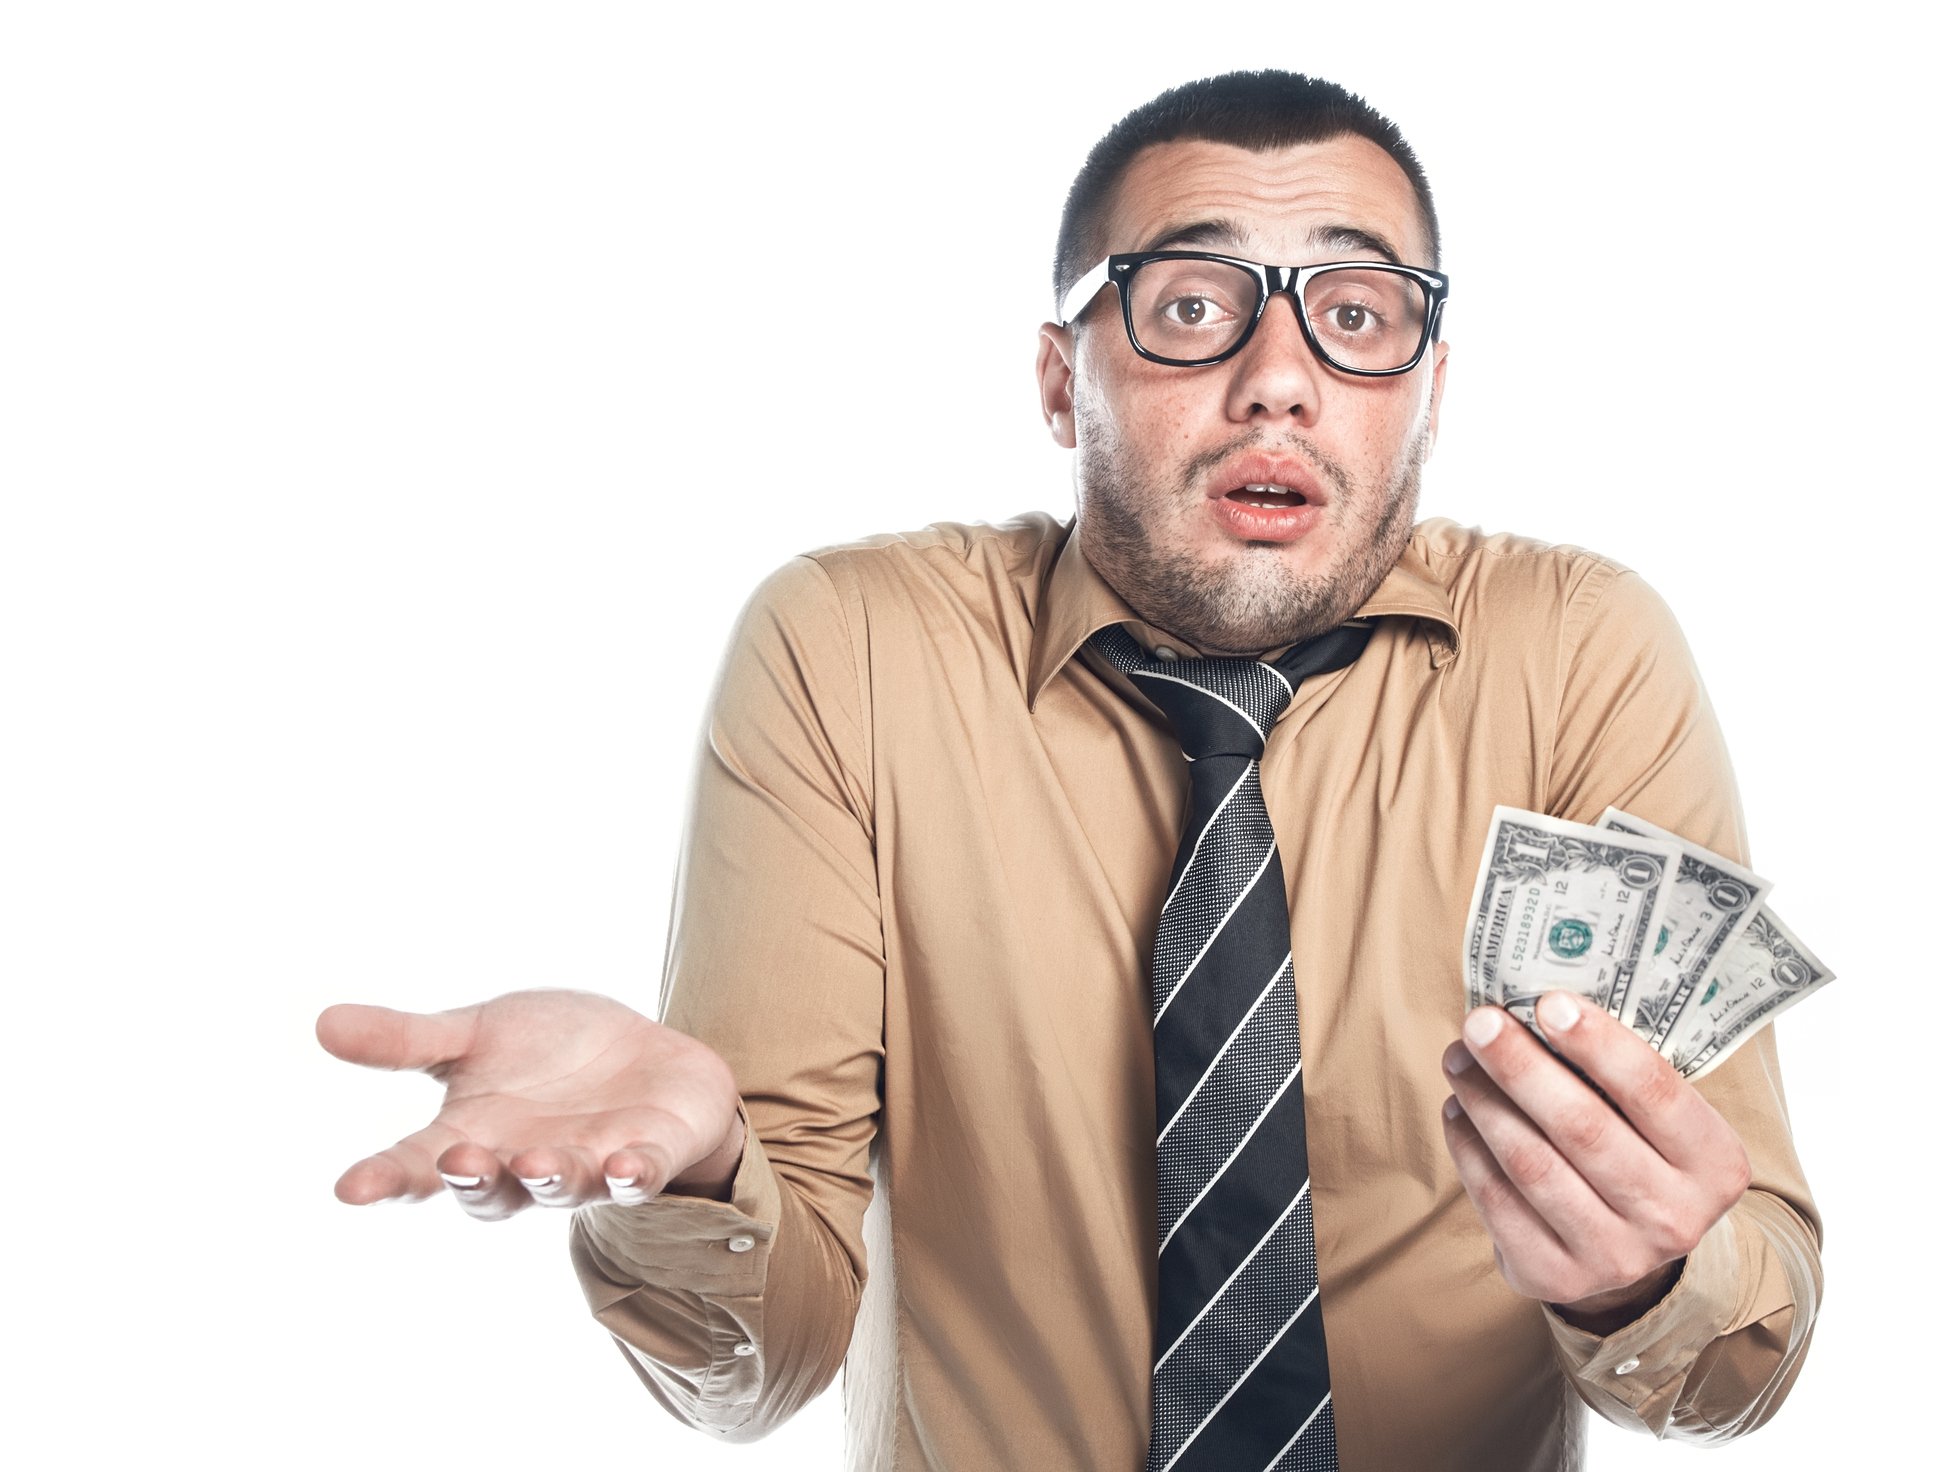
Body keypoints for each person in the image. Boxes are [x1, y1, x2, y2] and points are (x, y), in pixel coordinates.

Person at [319, 70, 1821, 1470]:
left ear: (1428, 384)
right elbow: (754, 1370)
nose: (1278, 380)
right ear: (1060, 379)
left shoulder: (1576, 654)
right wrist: (705, 1175)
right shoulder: (851, 651)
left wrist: (1653, 1280)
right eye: (1189, 304)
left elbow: (1733, 1372)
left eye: (1359, 315)